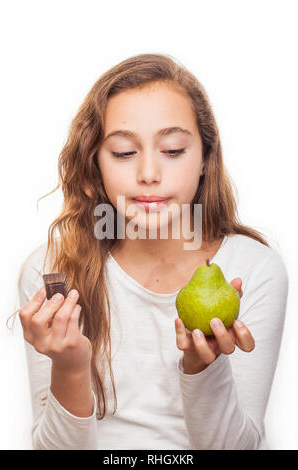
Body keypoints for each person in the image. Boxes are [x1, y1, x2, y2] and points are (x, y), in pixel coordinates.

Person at [17, 53, 289, 450]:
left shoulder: (252, 269)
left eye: (173, 150)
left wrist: (202, 369)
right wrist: (70, 367)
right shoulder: (52, 270)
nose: (148, 173)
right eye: (124, 152)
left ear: (204, 159)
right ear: (95, 162)